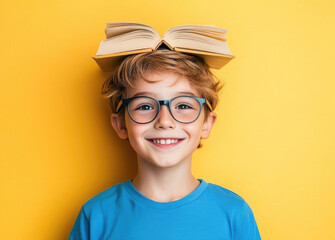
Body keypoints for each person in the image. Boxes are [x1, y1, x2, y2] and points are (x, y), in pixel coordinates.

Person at [69, 49, 261, 239]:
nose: (164, 120)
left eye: (183, 106)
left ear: (207, 124)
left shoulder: (235, 213)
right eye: (144, 106)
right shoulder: (95, 216)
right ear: (121, 125)